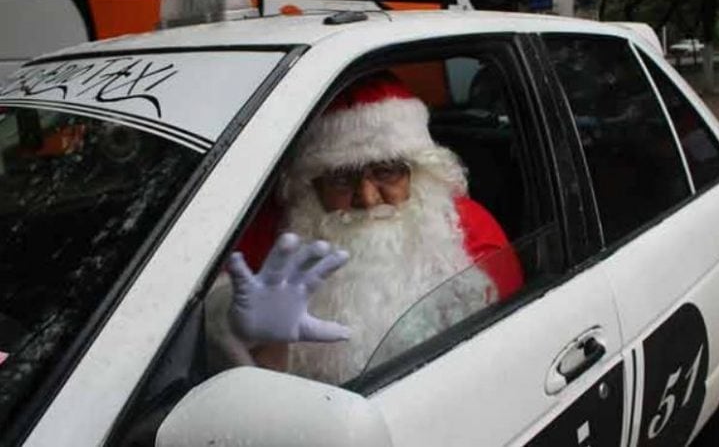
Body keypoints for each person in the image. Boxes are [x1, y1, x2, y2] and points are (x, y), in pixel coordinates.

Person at [206, 72, 524, 384]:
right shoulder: (278, 245)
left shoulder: (469, 233)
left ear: (420, 172)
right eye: (341, 179)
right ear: (312, 187)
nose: (367, 198)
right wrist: (250, 334)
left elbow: (509, 353)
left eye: (386, 172)